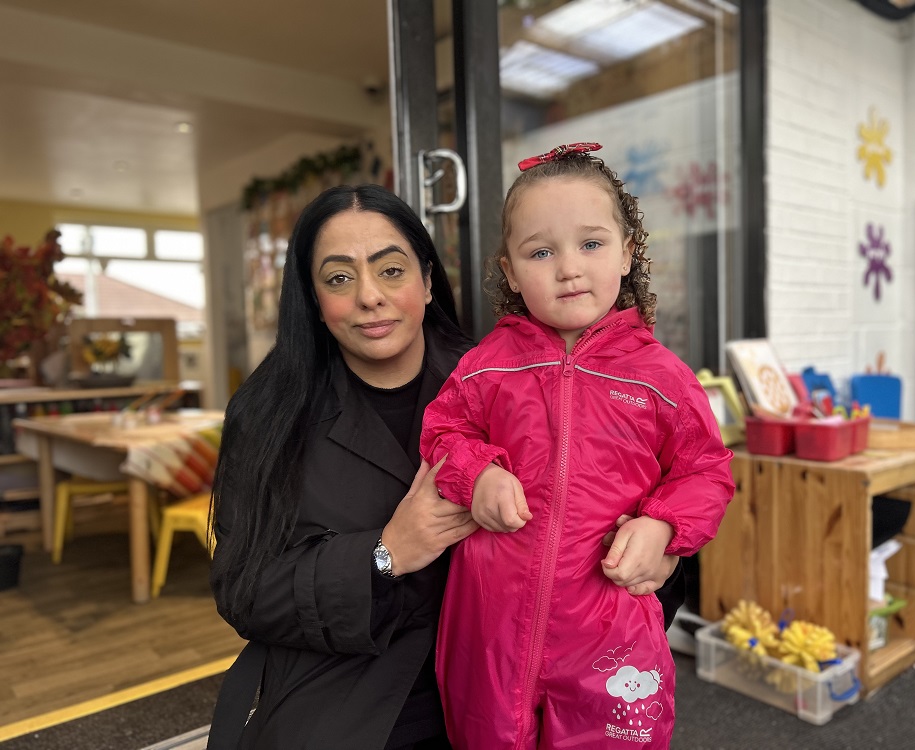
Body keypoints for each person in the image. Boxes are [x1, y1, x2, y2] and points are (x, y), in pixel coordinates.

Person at [207, 183, 681, 750]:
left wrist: (664, 552)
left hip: (516, 675)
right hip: (343, 691)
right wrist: (384, 555)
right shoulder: (270, 415)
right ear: (312, 299)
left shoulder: (507, 377)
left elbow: (661, 497)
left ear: (428, 281)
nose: (369, 297)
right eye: (338, 278)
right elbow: (244, 591)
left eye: (391, 270)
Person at [420, 143, 735, 749]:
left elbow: (706, 472)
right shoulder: (485, 370)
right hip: (488, 635)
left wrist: (665, 528)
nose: (569, 267)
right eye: (541, 251)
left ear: (627, 252)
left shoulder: (663, 377)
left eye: (591, 243)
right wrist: (478, 474)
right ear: (510, 271)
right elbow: (443, 435)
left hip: (610, 636)